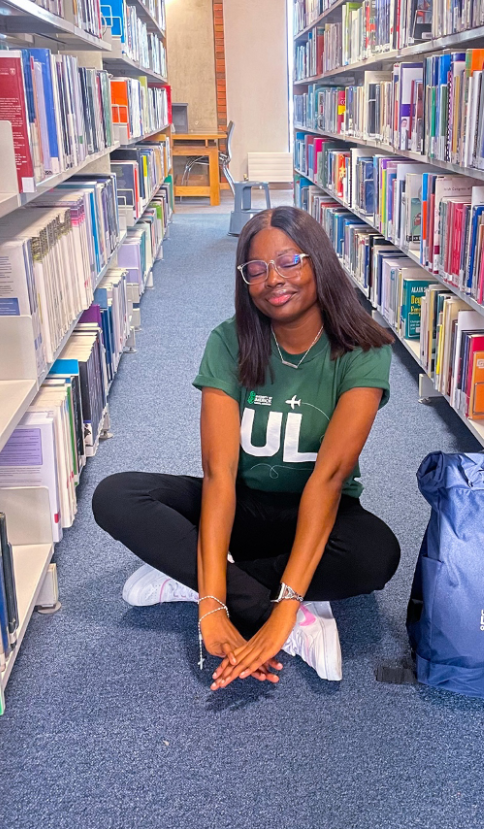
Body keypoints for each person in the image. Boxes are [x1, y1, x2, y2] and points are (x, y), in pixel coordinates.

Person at [92, 206, 400, 689]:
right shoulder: (229, 341)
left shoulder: (364, 348)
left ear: (318, 261)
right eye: (256, 269)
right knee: (117, 495)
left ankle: (191, 577)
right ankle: (233, 591)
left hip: (317, 509)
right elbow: (218, 474)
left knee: (375, 555)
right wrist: (213, 606)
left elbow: (329, 478)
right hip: (242, 504)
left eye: (289, 262)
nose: (273, 280)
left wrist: (279, 615)